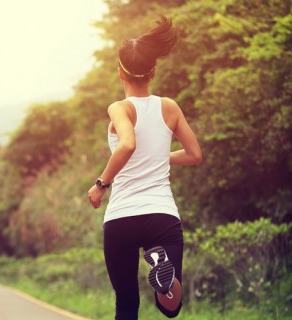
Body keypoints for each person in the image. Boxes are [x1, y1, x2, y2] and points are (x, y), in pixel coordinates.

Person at [87, 16, 202, 320]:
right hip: (161, 215)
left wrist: (100, 185)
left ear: (119, 72)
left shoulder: (120, 108)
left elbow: (127, 145)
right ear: (153, 71)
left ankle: (161, 274)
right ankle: (163, 273)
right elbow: (194, 155)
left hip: (121, 218)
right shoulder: (170, 107)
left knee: (126, 306)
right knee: (171, 308)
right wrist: (159, 157)